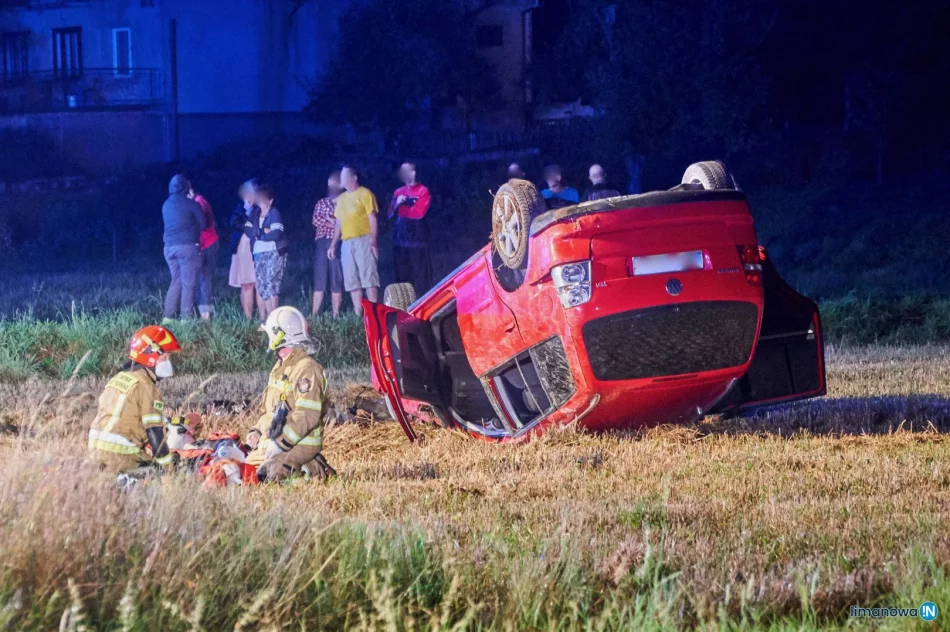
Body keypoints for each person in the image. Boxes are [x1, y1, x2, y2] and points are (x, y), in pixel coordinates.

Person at [246, 306, 336, 482]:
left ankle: (314, 469)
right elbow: (271, 412)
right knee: (242, 471)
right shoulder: (280, 367)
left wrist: (281, 443)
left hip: (298, 443)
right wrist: (257, 431)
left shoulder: (307, 368)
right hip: (274, 443)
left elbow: (307, 415)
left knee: (265, 478)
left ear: (280, 335)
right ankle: (307, 465)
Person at [87, 325, 180, 480]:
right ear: (150, 355)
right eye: (165, 357)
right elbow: (155, 433)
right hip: (121, 454)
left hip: (95, 452)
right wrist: (168, 468)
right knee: (158, 473)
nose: (168, 362)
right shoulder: (147, 387)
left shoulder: (118, 378)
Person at [328, 165, 379, 317]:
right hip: (347, 243)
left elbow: (372, 219)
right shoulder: (342, 199)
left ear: (354, 177)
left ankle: (374, 313)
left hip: (363, 240)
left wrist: (373, 242)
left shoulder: (365, 194)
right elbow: (338, 223)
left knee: (368, 278)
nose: (342, 179)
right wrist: (333, 245)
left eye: (344, 176)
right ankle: (358, 313)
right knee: (351, 280)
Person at [162, 175, 207, 323]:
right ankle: (186, 320)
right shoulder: (191, 204)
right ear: (185, 187)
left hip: (169, 248)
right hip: (187, 247)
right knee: (189, 283)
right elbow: (204, 224)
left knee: (176, 280)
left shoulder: (166, 204)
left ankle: (168, 317)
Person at [244, 181, 287, 320]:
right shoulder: (254, 213)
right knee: (262, 287)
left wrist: (258, 235)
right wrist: (263, 232)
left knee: (272, 286)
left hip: (274, 252)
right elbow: (248, 230)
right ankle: (266, 320)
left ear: (270, 200)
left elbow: (276, 234)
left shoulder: (274, 213)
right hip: (258, 253)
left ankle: (274, 320)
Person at [388, 162, 433, 294]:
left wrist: (404, 209)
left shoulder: (423, 191)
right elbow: (389, 214)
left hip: (418, 241)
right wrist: (397, 204)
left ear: (413, 173)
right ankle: (405, 302)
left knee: (422, 276)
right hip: (400, 241)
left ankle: (425, 301)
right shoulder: (398, 192)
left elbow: (419, 213)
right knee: (402, 277)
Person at [311, 171, 345, 317]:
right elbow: (316, 220)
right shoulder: (322, 202)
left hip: (338, 242)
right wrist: (334, 223)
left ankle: (335, 314)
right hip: (322, 241)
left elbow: (344, 224)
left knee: (336, 278)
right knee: (320, 277)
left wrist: (333, 222)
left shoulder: (345, 203)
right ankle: (314, 314)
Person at [228, 181, 263, 320]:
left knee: (260, 283)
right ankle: (248, 318)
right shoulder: (241, 207)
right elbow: (234, 222)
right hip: (244, 246)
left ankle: (263, 317)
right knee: (247, 283)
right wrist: (247, 214)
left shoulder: (262, 205)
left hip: (259, 245)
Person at [190, 186, 219, 320]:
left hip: (208, 244)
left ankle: (206, 315)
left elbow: (203, 223)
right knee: (198, 280)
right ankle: (199, 312)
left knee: (205, 279)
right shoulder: (193, 202)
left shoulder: (199, 201)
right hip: (198, 246)